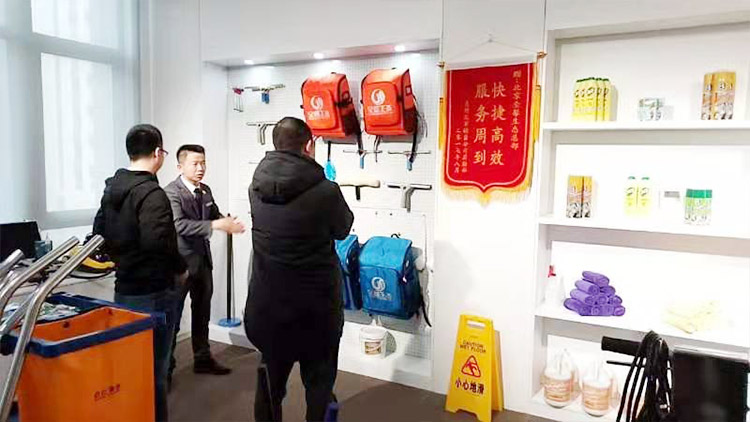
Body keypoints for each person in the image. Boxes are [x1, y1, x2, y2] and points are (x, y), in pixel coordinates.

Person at [244, 117, 354, 422]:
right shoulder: (326, 191)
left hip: (268, 308)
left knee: (270, 385)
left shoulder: (256, 188)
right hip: (315, 312)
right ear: (309, 145)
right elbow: (343, 228)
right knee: (319, 386)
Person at [93, 124, 186, 422]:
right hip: (154, 290)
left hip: (124, 288)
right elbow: (159, 243)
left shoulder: (111, 189)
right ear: (158, 153)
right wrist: (181, 268)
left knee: (130, 367)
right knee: (154, 370)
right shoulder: (152, 193)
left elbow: (99, 233)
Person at [165, 144, 245, 382]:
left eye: (203, 163)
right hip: (179, 266)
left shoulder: (205, 190)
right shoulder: (171, 192)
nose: (200, 168)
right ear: (180, 166)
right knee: (173, 319)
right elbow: (178, 225)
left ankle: (203, 359)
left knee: (202, 313)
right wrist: (216, 225)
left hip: (203, 262)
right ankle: (165, 369)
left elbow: (213, 215)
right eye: (195, 164)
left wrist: (226, 222)